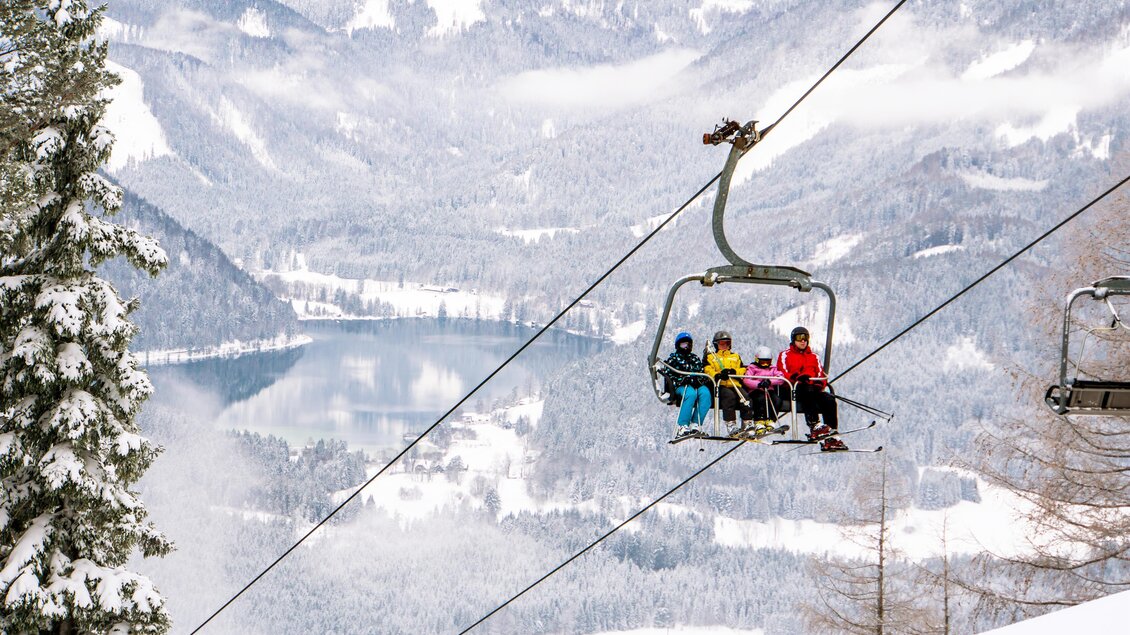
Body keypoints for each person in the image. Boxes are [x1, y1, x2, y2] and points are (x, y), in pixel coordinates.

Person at [776, 326, 847, 451]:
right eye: (799, 338)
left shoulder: (814, 357)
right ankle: (814, 425)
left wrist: (818, 384)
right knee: (806, 389)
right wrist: (796, 378)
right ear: (793, 340)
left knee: (829, 399)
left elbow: (821, 375)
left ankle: (831, 435)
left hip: (812, 388)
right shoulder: (785, 355)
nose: (803, 341)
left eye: (805, 338)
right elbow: (782, 372)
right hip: (792, 389)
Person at [660, 332, 711, 439]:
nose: (686, 347)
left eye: (688, 344)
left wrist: (698, 380)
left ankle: (695, 424)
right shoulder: (673, 359)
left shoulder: (694, 358)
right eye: (683, 344)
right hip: (680, 386)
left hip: (695, 385)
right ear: (678, 345)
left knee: (706, 394)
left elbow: (701, 373)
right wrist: (682, 379)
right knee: (690, 394)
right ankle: (683, 426)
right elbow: (669, 375)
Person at [703, 330, 752, 436]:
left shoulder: (735, 356)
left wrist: (734, 372)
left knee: (745, 397)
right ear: (716, 344)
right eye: (722, 343)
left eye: (727, 343)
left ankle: (747, 422)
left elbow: (743, 370)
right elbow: (707, 370)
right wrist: (718, 375)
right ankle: (731, 424)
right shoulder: (711, 357)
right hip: (721, 385)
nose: (725, 345)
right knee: (729, 397)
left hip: (735, 383)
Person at [742, 346, 786, 435]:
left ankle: (771, 421)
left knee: (777, 400)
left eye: (767, 362)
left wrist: (770, 381)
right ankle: (759, 421)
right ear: (757, 360)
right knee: (760, 400)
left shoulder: (772, 369)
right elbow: (746, 380)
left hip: (768, 390)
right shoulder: (752, 368)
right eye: (763, 362)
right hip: (756, 390)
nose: (765, 364)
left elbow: (781, 378)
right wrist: (758, 384)